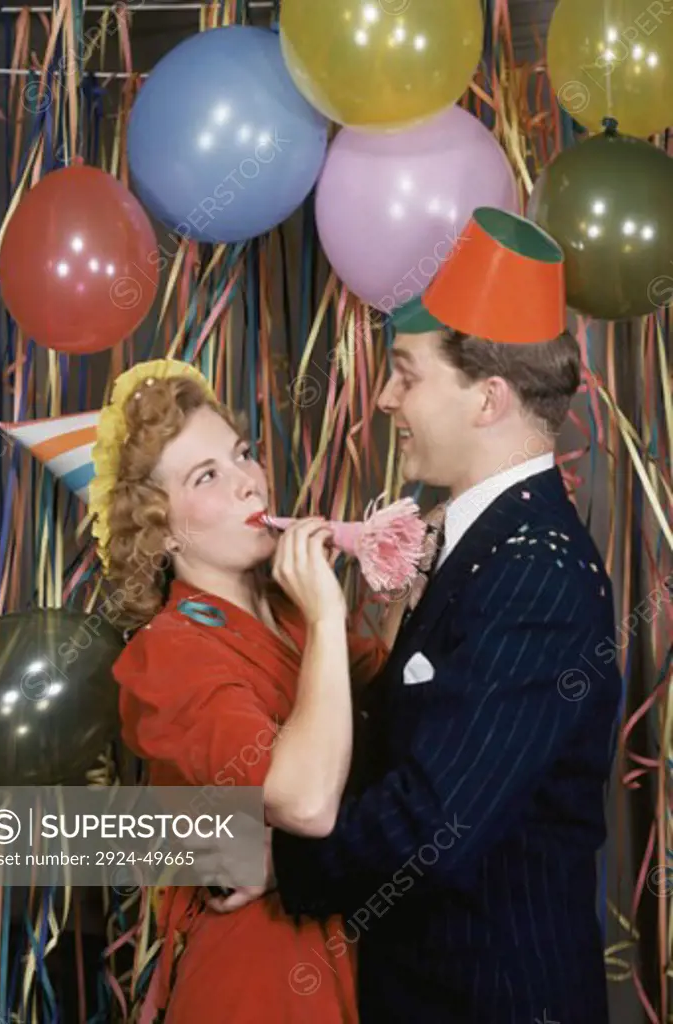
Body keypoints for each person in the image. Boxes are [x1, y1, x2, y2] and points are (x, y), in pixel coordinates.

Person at [217, 211, 622, 1023]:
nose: (383, 396)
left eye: (406, 373)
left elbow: (434, 824)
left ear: (487, 400)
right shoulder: (481, 543)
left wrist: (279, 863)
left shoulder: (534, 571)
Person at [88, 358, 389, 1023]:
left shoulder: (287, 617)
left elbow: (404, 740)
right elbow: (307, 802)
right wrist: (328, 616)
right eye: (208, 477)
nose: (250, 482)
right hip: (256, 983)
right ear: (161, 529)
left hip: (352, 963)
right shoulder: (168, 650)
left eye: (243, 455)